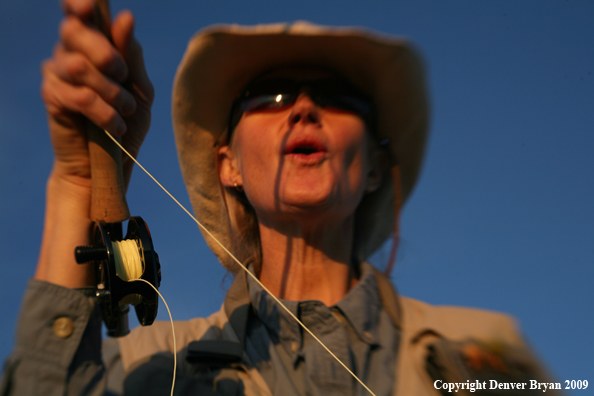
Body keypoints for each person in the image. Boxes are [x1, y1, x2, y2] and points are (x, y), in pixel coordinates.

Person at [1, 0, 561, 395]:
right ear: (229, 166)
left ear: (374, 169)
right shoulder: (146, 368)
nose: (302, 108)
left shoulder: (491, 352)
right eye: (267, 97)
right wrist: (77, 181)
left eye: (339, 97)